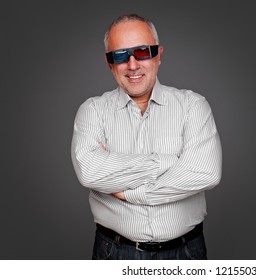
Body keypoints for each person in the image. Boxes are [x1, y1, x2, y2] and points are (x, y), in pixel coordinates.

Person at [71, 13, 222, 260]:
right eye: (120, 56)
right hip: (115, 253)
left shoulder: (193, 106)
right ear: (109, 63)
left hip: (186, 253)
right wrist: (169, 162)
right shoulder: (92, 111)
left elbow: (206, 172)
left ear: (159, 55)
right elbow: (89, 172)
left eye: (142, 52)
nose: (132, 65)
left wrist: (130, 193)